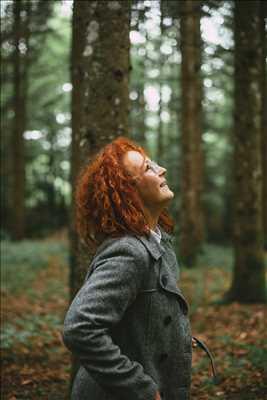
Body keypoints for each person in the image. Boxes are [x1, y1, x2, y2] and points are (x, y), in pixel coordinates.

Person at [62, 137, 192, 400]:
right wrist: (138, 387)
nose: (161, 169)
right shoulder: (129, 252)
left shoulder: (159, 241)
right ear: (128, 192)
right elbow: (80, 328)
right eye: (147, 168)